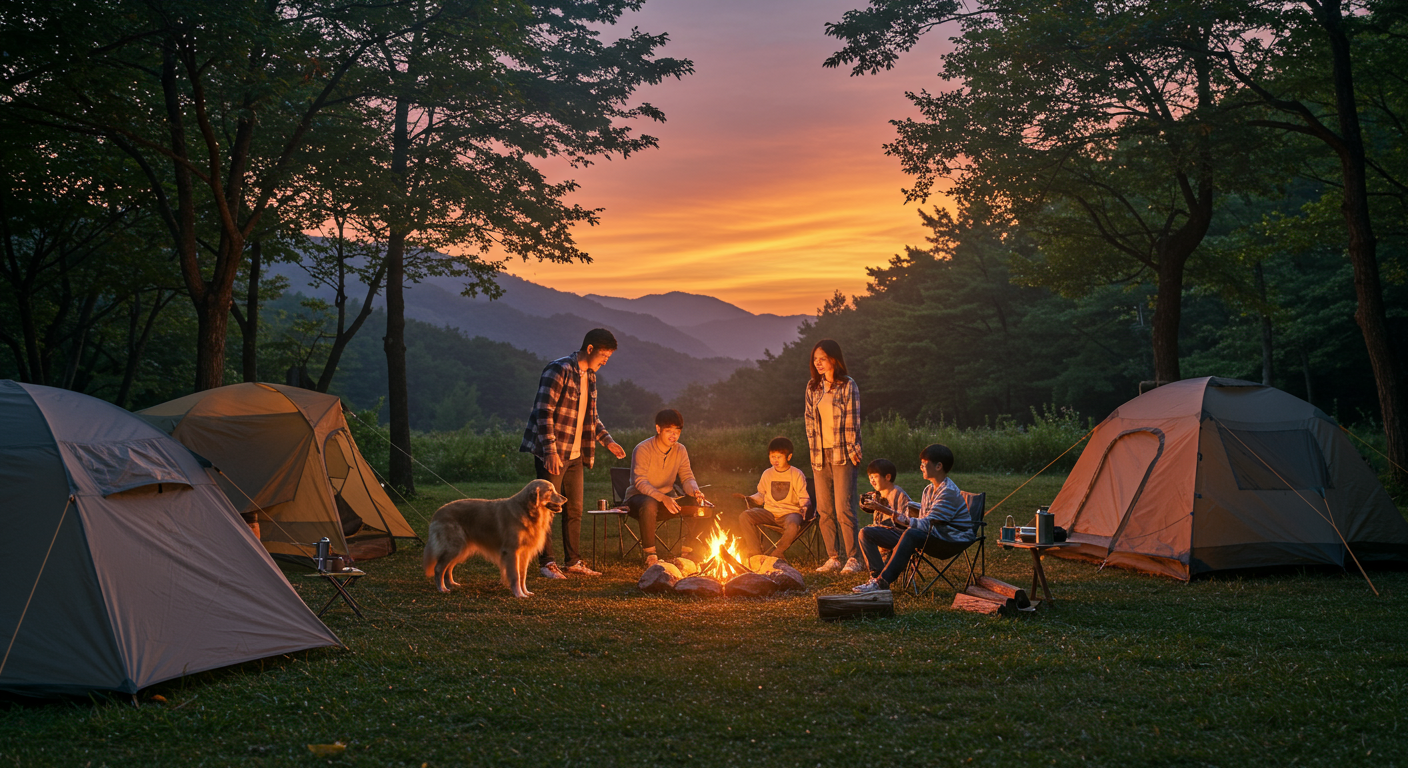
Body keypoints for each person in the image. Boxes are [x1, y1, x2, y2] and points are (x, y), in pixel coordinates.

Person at [520, 328, 628, 579]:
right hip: (554, 453)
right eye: (604, 355)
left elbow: (591, 417)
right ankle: (546, 563)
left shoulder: (590, 376)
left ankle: (573, 562)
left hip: (576, 455)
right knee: (546, 508)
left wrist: (607, 441)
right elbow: (543, 411)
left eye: (609, 357)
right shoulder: (558, 370)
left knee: (575, 509)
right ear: (589, 349)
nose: (605, 360)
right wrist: (550, 450)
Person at [852, 443, 974, 593]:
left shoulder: (947, 492)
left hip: (949, 540)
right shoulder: (929, 490)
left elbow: (928, 525)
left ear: (938, 466)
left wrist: (894, 515)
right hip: (927, 535)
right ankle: (876, 579)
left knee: (910, 533)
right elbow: (923, 519)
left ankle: (882, 583)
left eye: (924, 464)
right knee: (867, 533)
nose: (920, 467)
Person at [804, 339, 865, 574]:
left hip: (843, 452)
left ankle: (853, 558)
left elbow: (853, 421)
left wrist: (853, 451)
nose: (818, 363)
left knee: (844, 508)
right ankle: (833, 557)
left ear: (833, 359)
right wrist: (813, 452)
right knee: (824, 509)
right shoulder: (812, 387)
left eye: (823, 358)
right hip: (820, 455)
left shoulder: (848, 385)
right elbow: (810, 422)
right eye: (815, 359)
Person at [627, 408, 707, 567]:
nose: (674, 435)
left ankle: (687, 552)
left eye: (677, 431)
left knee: (698, 503)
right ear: (658, 429)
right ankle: (651, 555)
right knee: (649, 503)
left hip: (666, 501)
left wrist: (695, 490)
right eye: (669, 431)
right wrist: (663, 498)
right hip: (638, 500)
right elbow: (640, 482)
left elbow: (687, 477)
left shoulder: (680, 450)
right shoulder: (643, 449)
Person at [734, 436, 811, 560]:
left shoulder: (796, 474)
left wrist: (804, 506)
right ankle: (756, 554)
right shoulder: (767, 474)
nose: (775, 460)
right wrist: (749, 498)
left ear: (789, 457)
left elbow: (803, 495)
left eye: (779, 457)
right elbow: (761, 495)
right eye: (772, 456)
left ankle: (778, 552)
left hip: (790, 513)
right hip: (769, 513)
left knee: (792, 526)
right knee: (745, 516)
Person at [860, 458, 912, 530]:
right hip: (882, 533)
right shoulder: (878, 495)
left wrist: (880, 508)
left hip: (897, 534)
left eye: (875, 477)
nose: (872, 481)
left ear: (887, 477)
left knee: (865, 532)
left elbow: (905, 521)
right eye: (870, 477)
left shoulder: (898, 494)